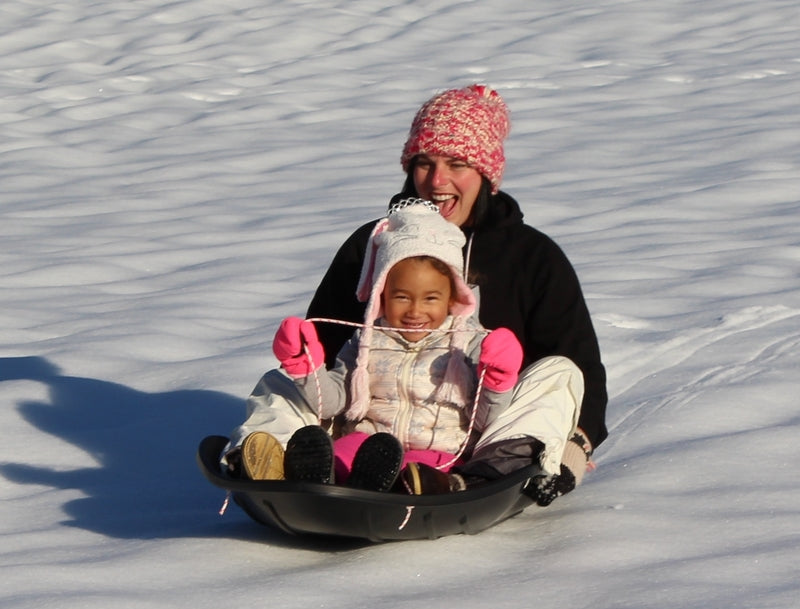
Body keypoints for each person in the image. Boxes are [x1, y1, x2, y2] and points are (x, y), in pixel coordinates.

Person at [224, 84, 607, 505]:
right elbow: (330, 353)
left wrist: (573, 442)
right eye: (424, 163)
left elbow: (579, 362)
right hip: (369, 426)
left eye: (457, 163)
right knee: (279, 381)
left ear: (485, 174)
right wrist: (303, 360)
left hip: (477, 435)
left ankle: (481, 482)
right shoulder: (373, 245)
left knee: (561, 372)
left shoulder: (532, 257)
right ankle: (271, 463)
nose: (437, 180)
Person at [238, 200, 526, 494]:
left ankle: (395, 487)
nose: (415, 311)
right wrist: (306, 367)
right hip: (368, 441)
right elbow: (335, 403)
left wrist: (497, 379)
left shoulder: (468, 345)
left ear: (453, 297)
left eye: (430, 298)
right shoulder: (366, 342)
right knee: (345, 449)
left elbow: (486, 420)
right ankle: (316, 476)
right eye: (402, 297)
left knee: (416, 471)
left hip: (438, 450)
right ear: (382, 296)